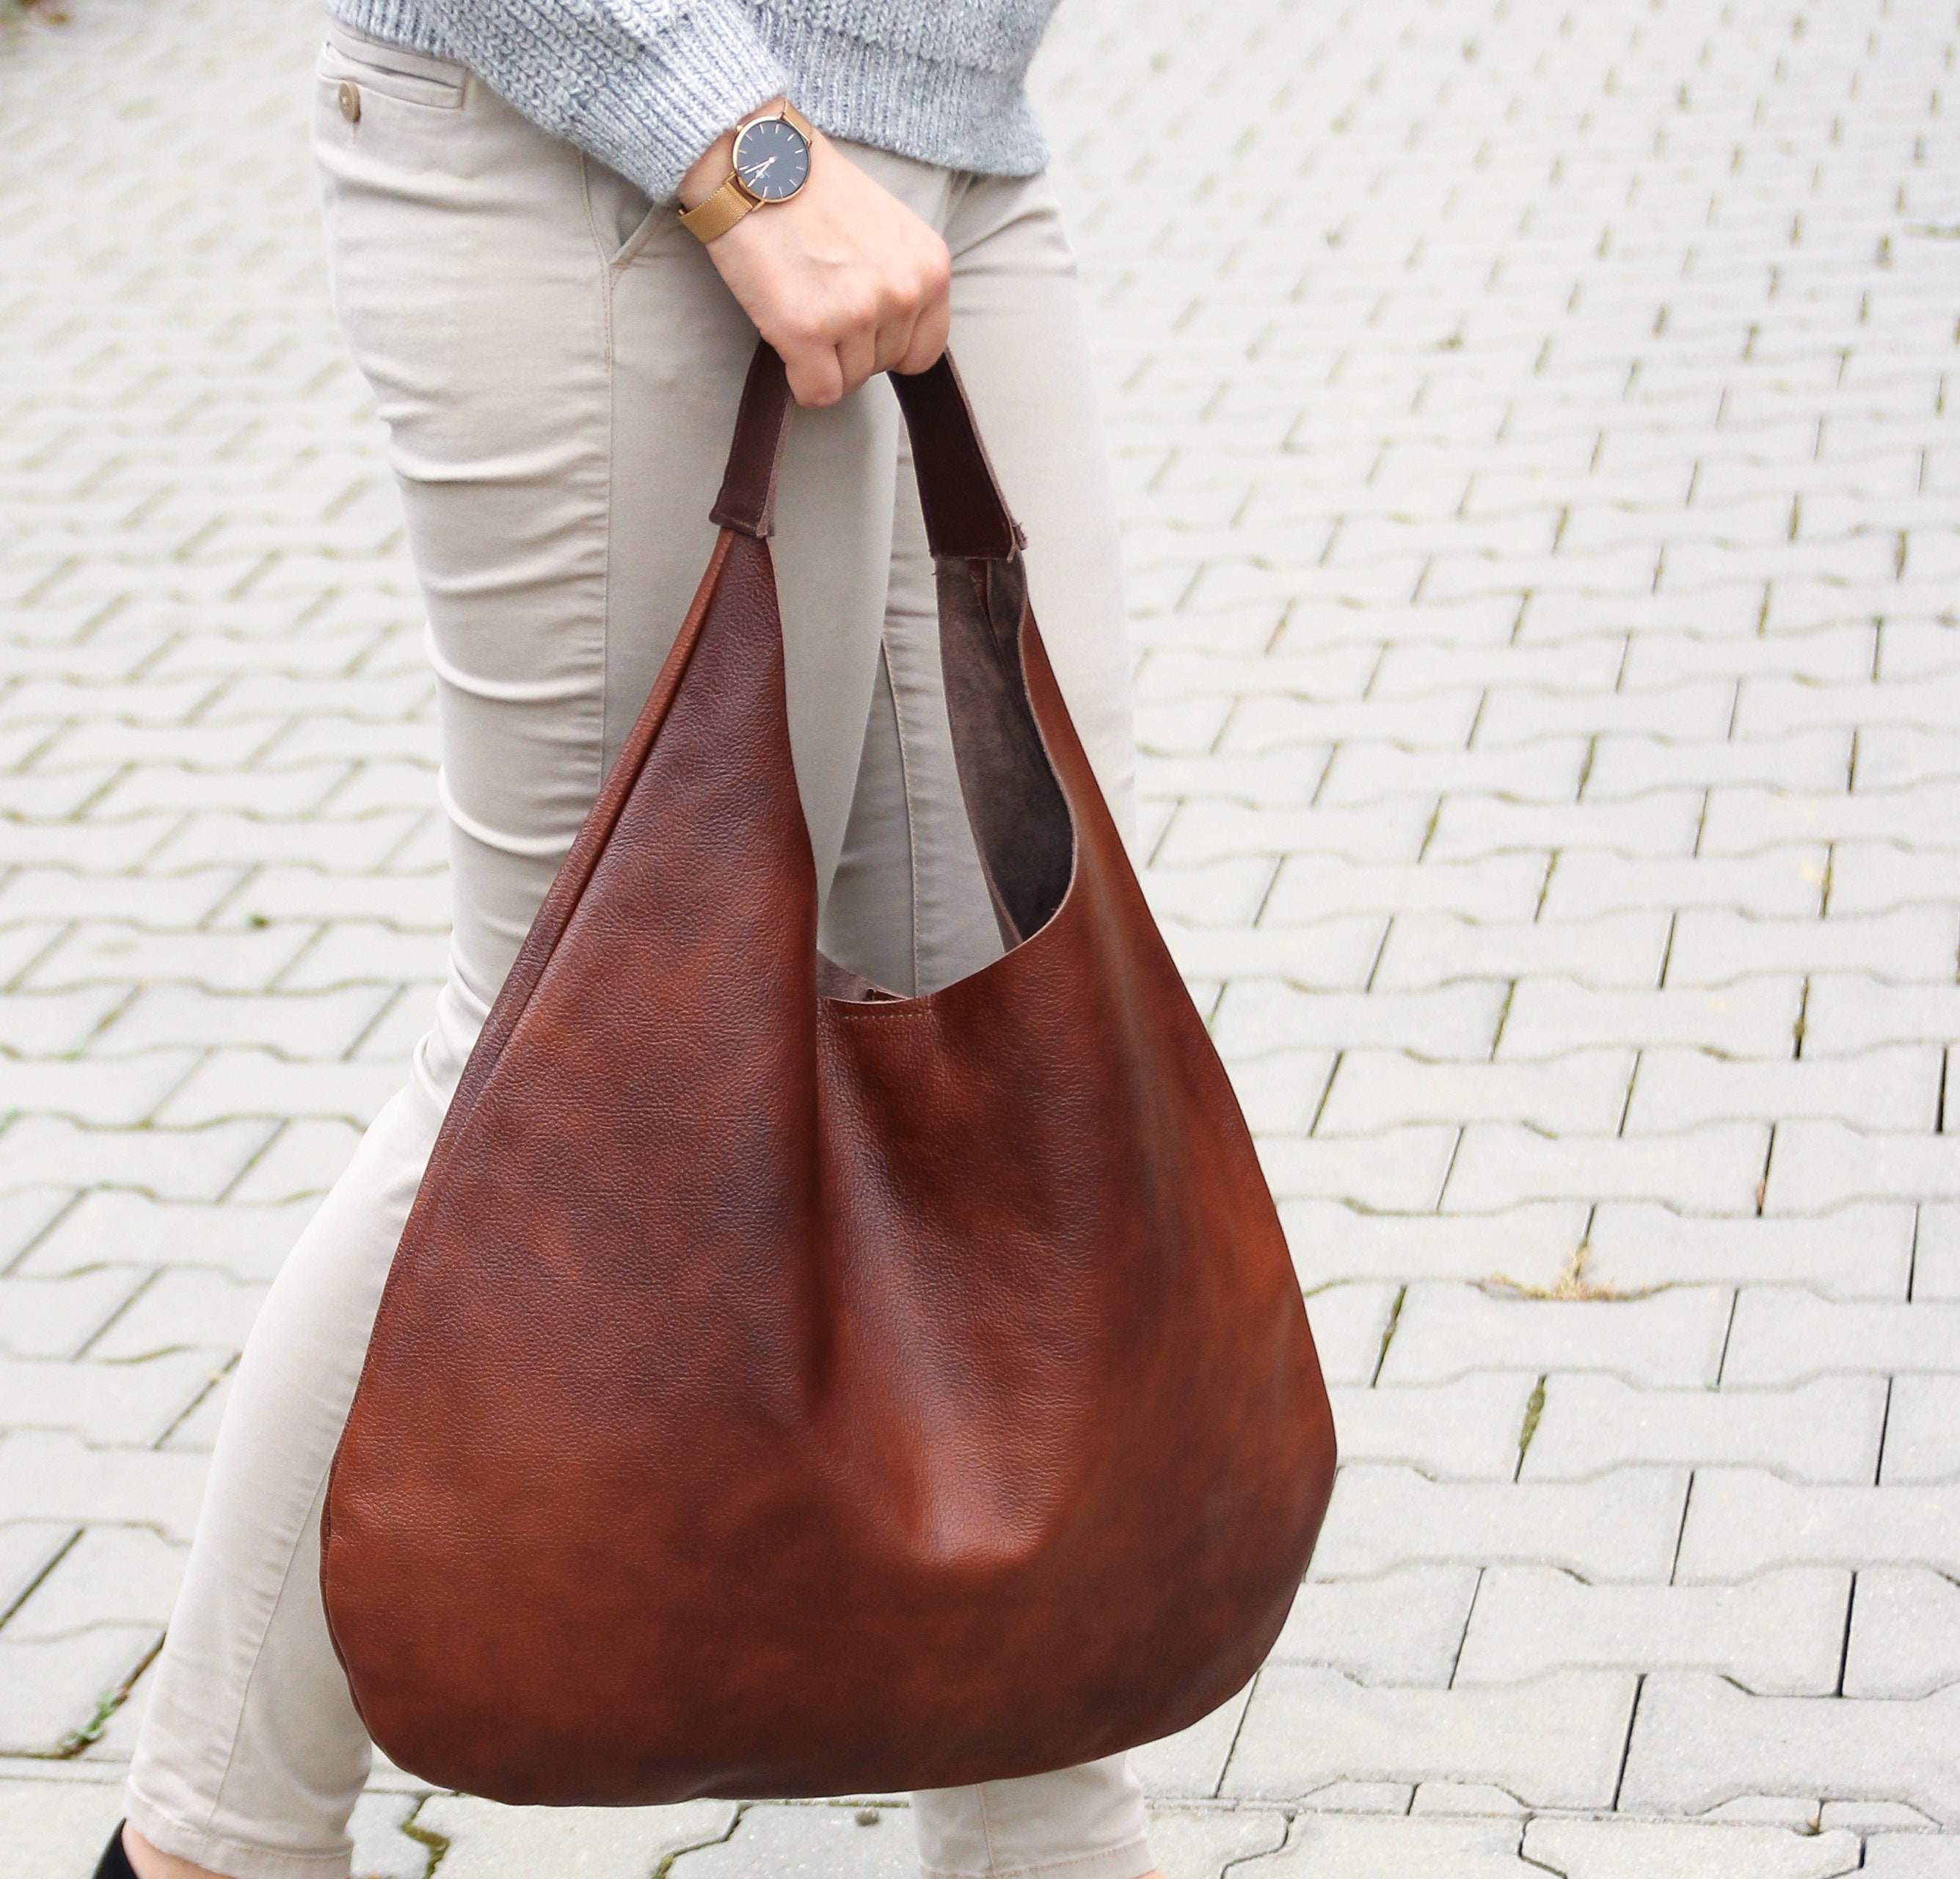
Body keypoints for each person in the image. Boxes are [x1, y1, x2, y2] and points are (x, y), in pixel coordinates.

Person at [99, 3, 1157, 1876]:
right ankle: (207, 1850)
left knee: (1027, 1050)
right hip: (620, 145)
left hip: (952, 147)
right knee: (574, 1066)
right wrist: (727, 137)